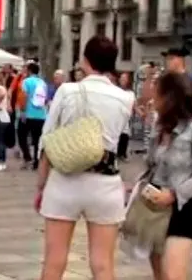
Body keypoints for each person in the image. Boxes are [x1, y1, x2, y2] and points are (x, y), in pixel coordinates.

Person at [36, 36, 135, 280]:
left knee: (54, 261)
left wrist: (41, 184)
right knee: (102, 265)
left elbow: (47, 139)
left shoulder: (67, 91)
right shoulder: (126, 98)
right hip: (105, 182)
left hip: (65, 179)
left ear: (85, 60)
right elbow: (118, 136)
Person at [146, 72, 192, 280]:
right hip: (155, 208)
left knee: (173, 273)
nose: (153, 99)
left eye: (157, 94)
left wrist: (175, 194)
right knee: (160, 273)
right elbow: (152, 163)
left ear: (169, 97)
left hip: (184, 207)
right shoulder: (159, 126)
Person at [20, 62, 48, 170]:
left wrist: (23, 111)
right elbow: (44, 99)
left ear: (29, 71)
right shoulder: (43, 83)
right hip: (41, 115)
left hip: (29, 114)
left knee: (22, 136)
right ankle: (37, 162)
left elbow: (24, 97)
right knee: (37, 140)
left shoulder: (26, 82)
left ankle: (28, 157)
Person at [117, 71, 134, 160]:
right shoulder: (116, 91)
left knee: (124, 135)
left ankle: (122, 154)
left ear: (128, 81)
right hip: (116, 118)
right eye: (121, 78)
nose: (122, 80)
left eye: (124, 79)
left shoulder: (131, 93)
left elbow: (132, 105)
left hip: (125, 118)